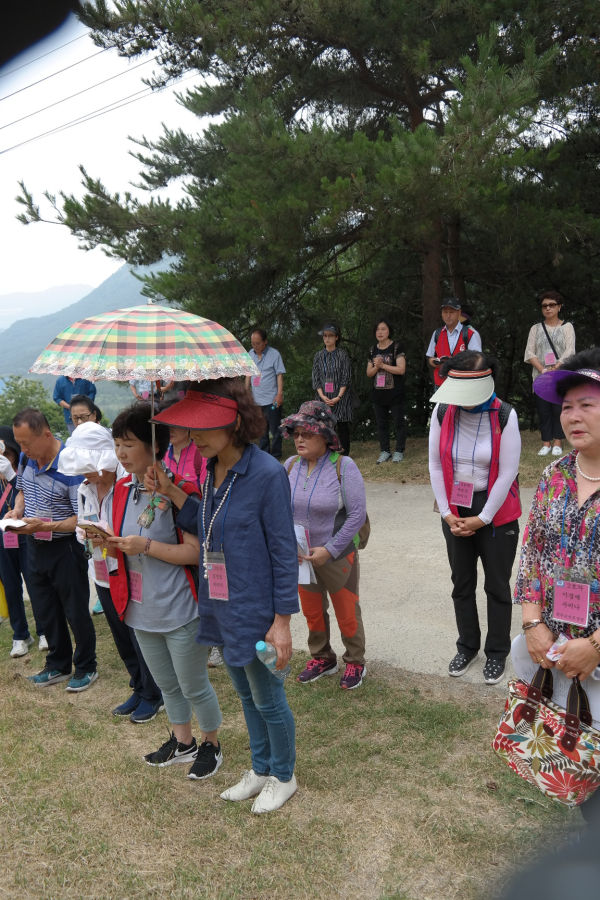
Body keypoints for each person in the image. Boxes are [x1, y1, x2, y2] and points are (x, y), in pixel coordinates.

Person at [150, 379, 299, 813]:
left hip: (257, 607)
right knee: (247, 695)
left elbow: (283, 552)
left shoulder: (267, 474)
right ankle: (260, 767)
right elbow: (209, 523)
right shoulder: (211, 470)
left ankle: (284, 775)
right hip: (222, 604)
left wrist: (283, 621)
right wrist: (173, 491)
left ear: (233, 423)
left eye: (201, 428)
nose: (192, 437)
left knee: (269, 697)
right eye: (189, 429)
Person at [97, 403, 223, 778]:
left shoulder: (179, 490)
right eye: (117, 444)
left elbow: (195, 552)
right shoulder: (121, 489)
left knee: (194, 684)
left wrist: (145, 546)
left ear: (155, 447)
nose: (121, 453)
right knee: (167, 683)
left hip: (179, 607)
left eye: (129, 443)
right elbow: (121, 539)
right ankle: (182, 741)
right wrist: (105, 539)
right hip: (140, 607)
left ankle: (211, 745)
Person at [512, 347, 600, 729]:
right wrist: (532, 626)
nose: (573, 416)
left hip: (591, 654)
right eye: (566, 407)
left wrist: (595, 647)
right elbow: (532, 554)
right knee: (563, 767)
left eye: (586, 404)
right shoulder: (554, 475)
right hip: (553, 651)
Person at [57, 421, 164, 723]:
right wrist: (88, 534)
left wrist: (111, 535)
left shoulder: (129, 485)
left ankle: (154, 693)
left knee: (138, 633)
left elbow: (141, 525)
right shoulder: (84, 489)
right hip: (102, 570)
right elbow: (81, 527)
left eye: (88, 466)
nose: (85, 474)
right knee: (121, 637)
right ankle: (139, 685)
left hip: (130, 572)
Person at [428, 351, 521, 685]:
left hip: (496, 513)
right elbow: (436, 465)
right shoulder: (443, 412)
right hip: (455, 507)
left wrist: (483, 517)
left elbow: (508, 472)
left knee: (497, 585)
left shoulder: (504, 415)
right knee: (461, 583)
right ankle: (467, 645)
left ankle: (497, 652)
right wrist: (448, 513)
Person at [8, 408, 97, 691]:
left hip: (65, 547)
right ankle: (57, 664)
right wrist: (17, 511)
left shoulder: (70, 465)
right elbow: (21, 489)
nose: (22, 450)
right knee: (45, 608)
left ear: (47, 435)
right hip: (34, 544)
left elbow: (79, 518)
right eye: (18, 443)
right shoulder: (26, 458)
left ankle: (86, 667)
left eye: (26, 443)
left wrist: (46, 526)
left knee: (74, 609)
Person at [281, 400, 368, 690]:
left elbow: (356, 515)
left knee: (346, 609)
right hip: (301, 556)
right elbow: (279, 507)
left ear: (326, 436)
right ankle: (322, 656)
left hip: (338, 554)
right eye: (296, 433)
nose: (299, 439)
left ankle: (355, 661)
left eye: (307, 433)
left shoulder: (344, 466)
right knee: (311, 609)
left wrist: (329, 550)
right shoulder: (290, 465)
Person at [0, 425, 46, 657]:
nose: (2, 458)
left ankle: (44, 630)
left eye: (5, 452)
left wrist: (10, 475)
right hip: (2, 540)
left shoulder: (24, 470)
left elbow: (28, 495)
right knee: (11, 587)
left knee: (34, 583)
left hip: (25, 535)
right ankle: (20, 635)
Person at [524, 290, 576, 457]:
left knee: (558, 409)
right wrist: (543, 370)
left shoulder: (567, 327)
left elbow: (570, 351)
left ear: (559, 307)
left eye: (552, 305)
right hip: (541, 376)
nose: (548, 308)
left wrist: (557, 366)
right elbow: (529, 352)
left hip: (561, 375)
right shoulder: (535, 329)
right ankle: (546, 443)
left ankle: (558, 442)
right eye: (544, 306)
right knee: (543, 410)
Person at [366, 318, 407, 464]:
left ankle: (399, 451)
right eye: (378, 329)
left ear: (389, 330)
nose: (380, 332)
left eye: (383, 329)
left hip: (395, 393)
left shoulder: (397, 347)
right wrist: (377, 366)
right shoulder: (372, 349)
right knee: (381, 424)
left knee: (398, 423)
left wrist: (382, 365)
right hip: (378, 394)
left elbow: (401, 369)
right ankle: (385, 451)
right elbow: (369, 373)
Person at [312, 323, 353, 454]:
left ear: (336, 337)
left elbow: (346, 376)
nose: (327, 339)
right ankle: (327, 452)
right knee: (324, 425)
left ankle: (344, 453)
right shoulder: (318, 356)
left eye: (330, 336)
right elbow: (316, 378)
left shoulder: (342, 355)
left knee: (342, 424)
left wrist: (338, 396)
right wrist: (322, 396)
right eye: (325, 336)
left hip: (341, 396)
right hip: (323, 396)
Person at [245, 328, 286, 460]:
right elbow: (248, 375)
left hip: (272, 400)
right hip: (257, 401)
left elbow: (279, 375)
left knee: (275, 430)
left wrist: (279, 394)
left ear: (265, 342)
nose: (255, 346)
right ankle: (264, 455)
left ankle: (276, 455)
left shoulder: (274, 354)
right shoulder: (250, 354)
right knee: (262, 430)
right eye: (252, 343)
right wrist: (246, 393)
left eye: (257, 343)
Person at [426, 298, 482, 387]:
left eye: (451, 312)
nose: (448, 316)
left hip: (462, 385)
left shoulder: (471, 334)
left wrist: (455, 364)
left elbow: (478, 361)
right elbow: (430, 358)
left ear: (459, 313)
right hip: (441, 385)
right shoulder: (437, 333)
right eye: (445, 312)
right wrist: (437, 363)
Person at [163, 424, 207, 492]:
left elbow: (206, 498)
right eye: (167, 426)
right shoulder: (163, 457)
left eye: (175, 425)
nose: (170, 430)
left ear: (188, 427)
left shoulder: (201, 455)